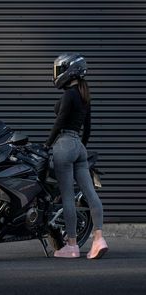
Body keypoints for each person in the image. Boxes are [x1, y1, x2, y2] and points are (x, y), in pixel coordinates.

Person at [45, 53, 108, 259]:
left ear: (69, 71)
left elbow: (60, 121)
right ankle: (99, 239)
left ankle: (71, 245)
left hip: (64, 144)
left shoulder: (69, 95)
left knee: (68, 198)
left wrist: (48, 144)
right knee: (91, 195)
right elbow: (87, 128)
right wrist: (80, 146)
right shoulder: (84, 95)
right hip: (80, 146)